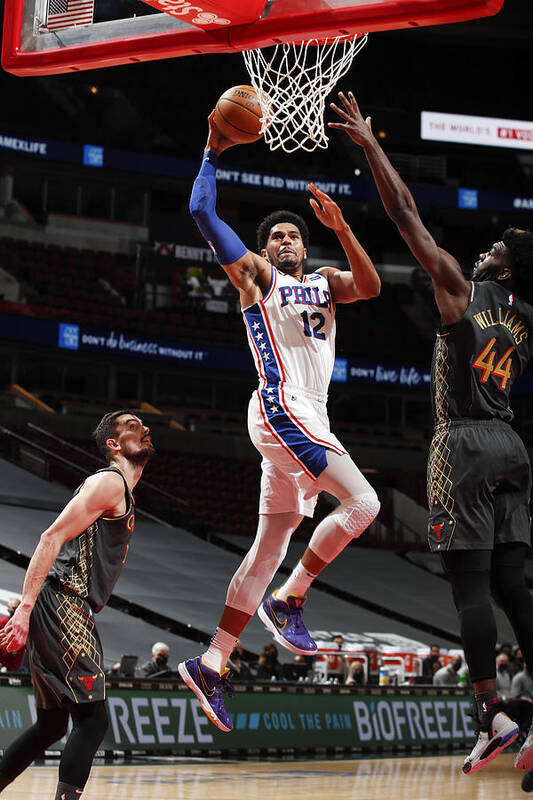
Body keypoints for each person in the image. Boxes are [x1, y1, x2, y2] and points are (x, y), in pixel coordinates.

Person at [329, 90, 533, 776]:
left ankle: (490, 714)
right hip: (512, 445)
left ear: (502, 268)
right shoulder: (525, 318)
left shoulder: (458, 287)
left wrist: (369, 143)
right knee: (514, 587)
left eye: (494, 248)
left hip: (464, 443)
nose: (481, 250)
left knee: (468, 588)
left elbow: (405, 215)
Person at [178, 111, 381, 733]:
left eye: (295, 234)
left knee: (269, 547)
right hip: (282, 405)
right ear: (266, 249)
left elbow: (371, 288)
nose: (287, 240)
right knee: (364, 503)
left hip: (307, 415)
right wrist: (211, 150)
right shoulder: (258, 279)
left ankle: (213, 660)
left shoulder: (324, 281)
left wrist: (343, 227)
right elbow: (203, 216)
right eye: (278, 236)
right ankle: (290, 599)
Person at [0, 410, 154, 800]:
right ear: (113, 445)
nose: (145, 429)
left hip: (63, 606)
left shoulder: (121, 489)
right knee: (93, 720)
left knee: (52, 726)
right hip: (64, 602)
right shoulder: (110, 482)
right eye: (133, 426)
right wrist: (24, 609)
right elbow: (50, 538)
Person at [0, 599, 24, 672]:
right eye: (10, 608)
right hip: (2, 664)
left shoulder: (24, 625)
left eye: (14, 609)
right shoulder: (2, 622)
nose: (11, 611)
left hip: (16, 666)